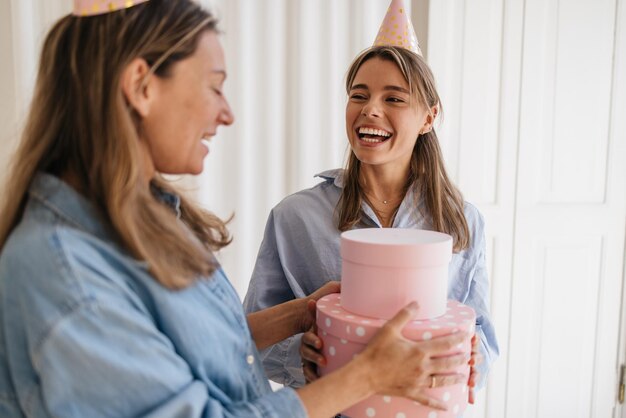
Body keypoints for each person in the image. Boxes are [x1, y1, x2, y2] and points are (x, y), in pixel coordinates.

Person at [0, 0, 471, 417]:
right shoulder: (66, 273)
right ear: (141, 86)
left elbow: (183, 346)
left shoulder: (147, 218)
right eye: (214, 86)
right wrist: (364, 376)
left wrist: (302, 313)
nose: (226, 113)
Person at [243, 3, 499, 403]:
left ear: (428, 118)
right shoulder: (294, 218)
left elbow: (483, 339)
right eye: (358, 95)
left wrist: (465, 361)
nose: (370, 108)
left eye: (394, 99)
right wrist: (300, 355)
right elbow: (247, 340)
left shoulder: (464, 221)